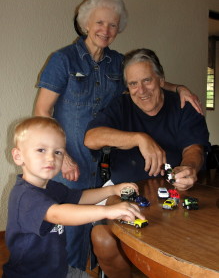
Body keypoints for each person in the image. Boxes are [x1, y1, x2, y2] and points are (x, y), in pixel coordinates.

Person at [34, 0, 203, 272]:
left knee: (101, 229)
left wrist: (178, 88)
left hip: (102, 163)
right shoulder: (63, 60)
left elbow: (145, 80)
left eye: (113, 25)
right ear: (86, 23)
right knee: (69, 232)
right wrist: (61, 156)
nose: (106, 30)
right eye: (99, 23)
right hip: (71, 160)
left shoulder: (117, 63)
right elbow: (42, 111)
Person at [84, 48, 210, 278]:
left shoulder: (183, 106)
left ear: (161, 80)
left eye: (147, 80)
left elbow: (194, 148)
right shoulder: (121, 105)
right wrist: (139, 138)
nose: (140, 90)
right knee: (102, 238)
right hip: (123, 190)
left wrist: (190, 167)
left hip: (175, 197)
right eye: (133, 84)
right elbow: (91, 138)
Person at [2, 116, 144, 278]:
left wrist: (112, 190)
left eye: (58, 152)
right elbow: (58, 214)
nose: (51, 158)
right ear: (18, 156)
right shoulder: (24, 196)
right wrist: (106, 211)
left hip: (59, 269)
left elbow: (80, 197)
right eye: (41, 150)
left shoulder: (51, 187)